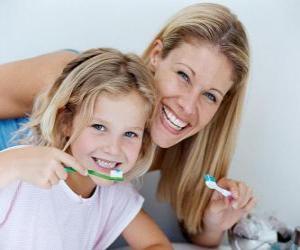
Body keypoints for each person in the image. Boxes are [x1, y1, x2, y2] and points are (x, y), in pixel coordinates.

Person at [0, 3, 255, 247]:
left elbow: (195, 238)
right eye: (183, 76)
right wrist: (11, 164)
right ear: (157, 56)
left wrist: (213, 224)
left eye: (210, 96)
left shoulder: (167, 151)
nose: (188, 106)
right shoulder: (71, 82)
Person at [0, 48, 172, 249]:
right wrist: (11, 166)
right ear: (66, 122)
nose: (113, 149)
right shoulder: (22, 171)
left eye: (130, 134)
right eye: (99, 127)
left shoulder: (114, 194)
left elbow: (156, 244)